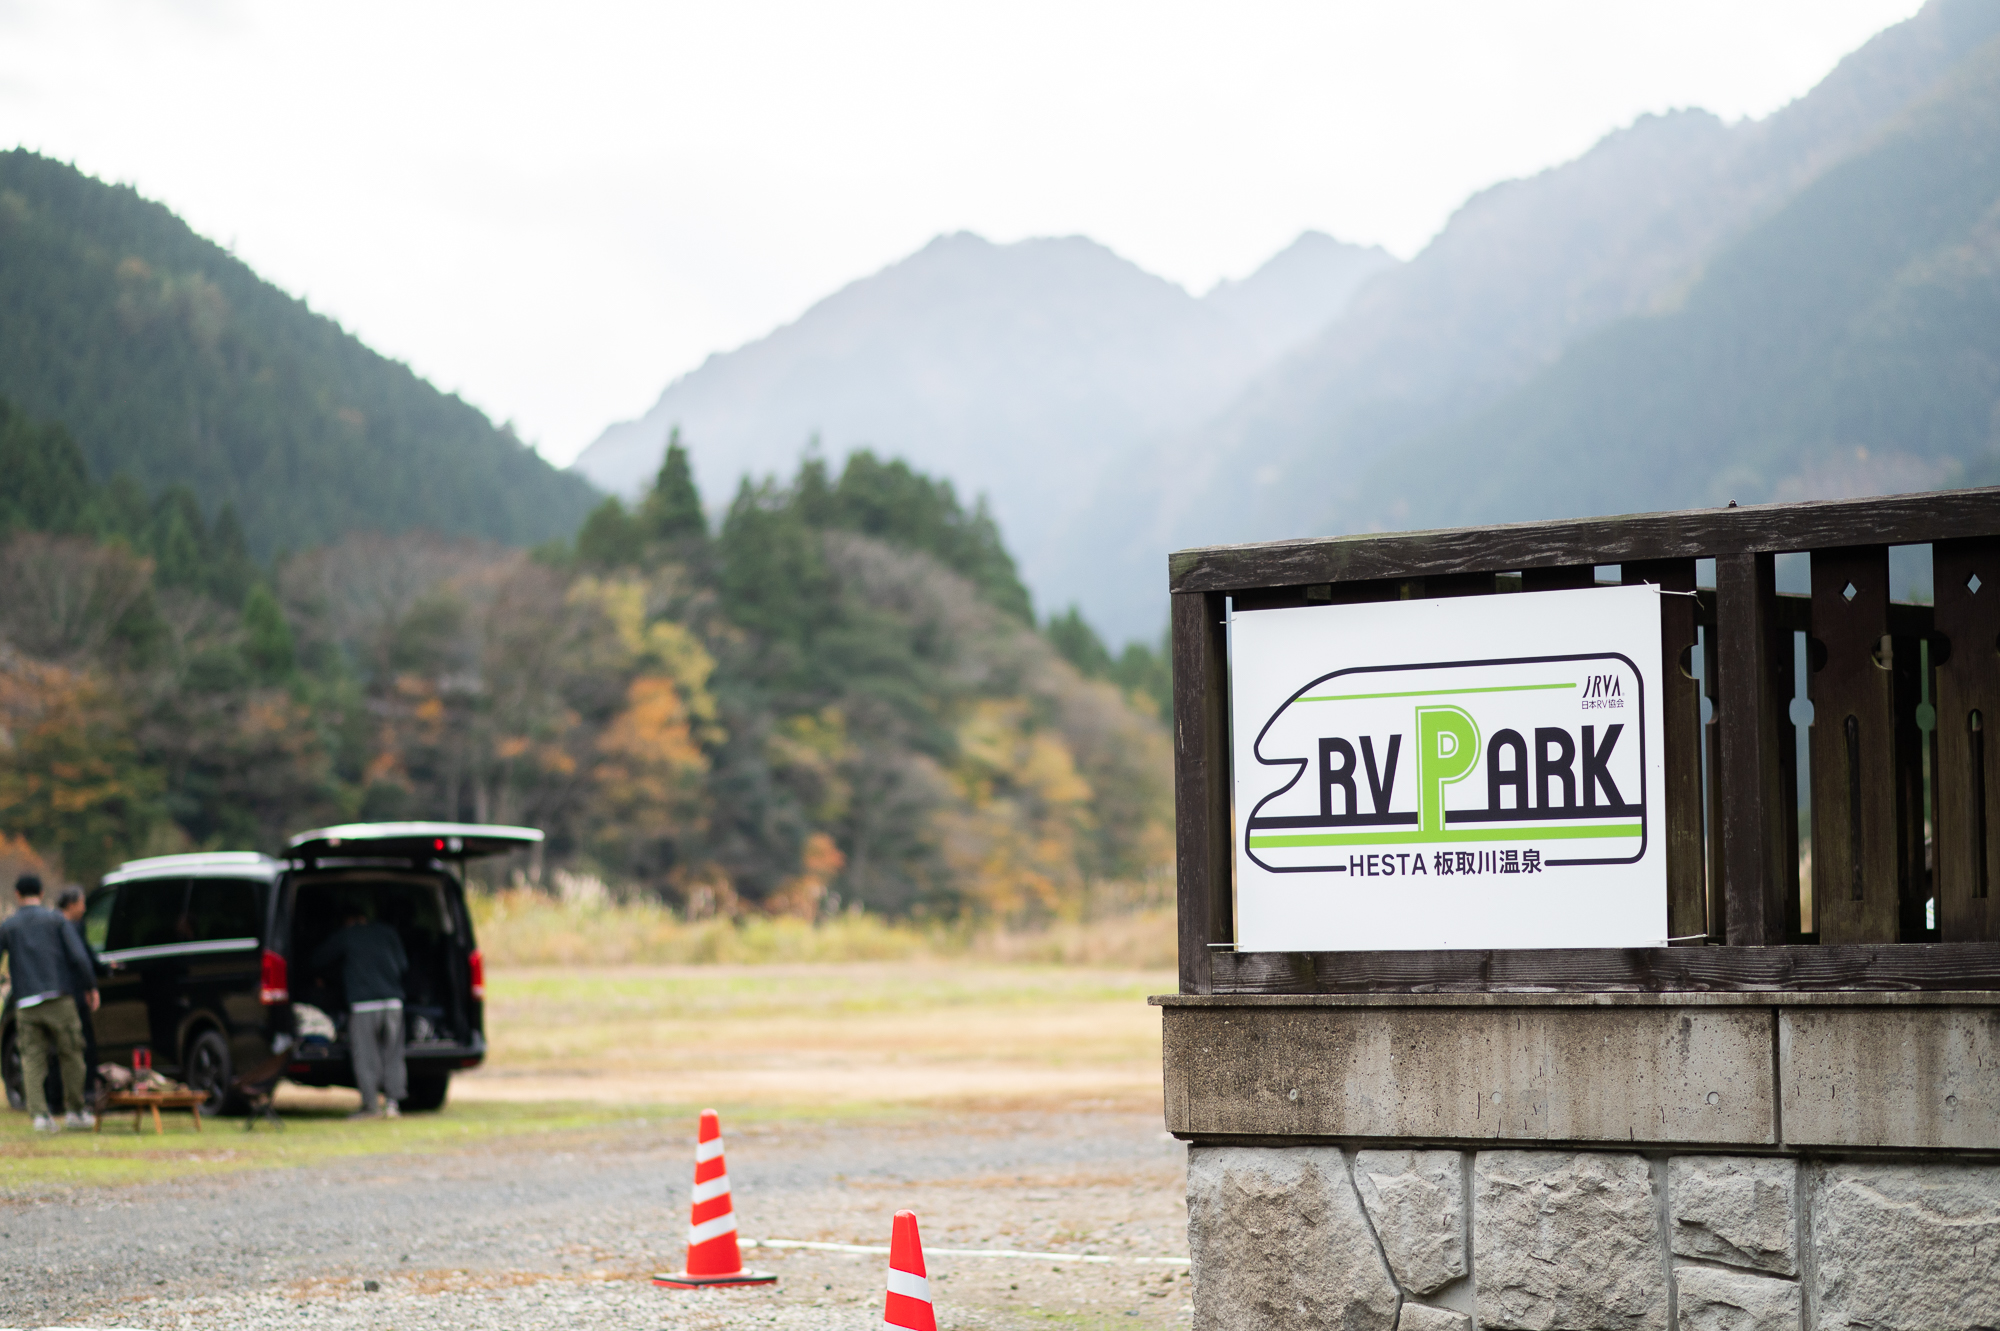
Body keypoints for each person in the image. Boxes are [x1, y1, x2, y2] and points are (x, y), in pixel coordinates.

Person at [0, 875, 97, 1132]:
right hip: (59, 996)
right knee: (72, 1053)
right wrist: (90, 986)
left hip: (26, 1001)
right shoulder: (56, 920)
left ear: (17, 895)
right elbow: (79, 956)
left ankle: (40, 1116)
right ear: (42, 893)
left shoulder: (9, 926)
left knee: (32, 1059)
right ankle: (75, 1110)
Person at [311, 904, 408, 1119]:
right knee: (393, 1054)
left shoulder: (347, 935)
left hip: (364, 1004)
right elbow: (403, 965)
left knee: (366, 1056)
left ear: (348, 919)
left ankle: (370, 1105)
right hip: (393, 1002)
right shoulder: (387, 932)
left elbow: (319, 959)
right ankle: (393, 1104)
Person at [40, 886, 100, 1115]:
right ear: (71, 904)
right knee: (76, 1048)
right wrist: (90, 986)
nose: (84, 908)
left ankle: (56, 1100)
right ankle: (79, 1099)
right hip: (69, 996)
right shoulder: (64, 926)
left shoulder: (53, 924)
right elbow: (81, 958)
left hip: (53, 994)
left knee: (56, 1050)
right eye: (82, 903)